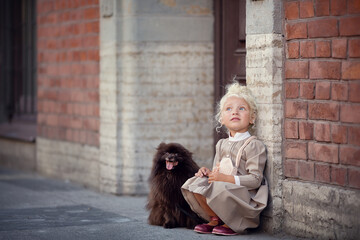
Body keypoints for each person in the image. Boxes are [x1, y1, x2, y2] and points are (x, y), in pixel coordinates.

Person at [181, 82, 268, 236]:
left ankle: (232, 222)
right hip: (223, 189)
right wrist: (208, 173)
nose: (235, 112)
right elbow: (216, 173)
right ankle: (216, 218)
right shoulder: (221, 144)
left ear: (252, 118)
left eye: (241, 108)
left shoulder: (254, 145)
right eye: (229, 109)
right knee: (193, 183)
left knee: (221, 187)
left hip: (243, 196)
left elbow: (255, 180)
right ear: (221, 119)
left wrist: (226, 179)